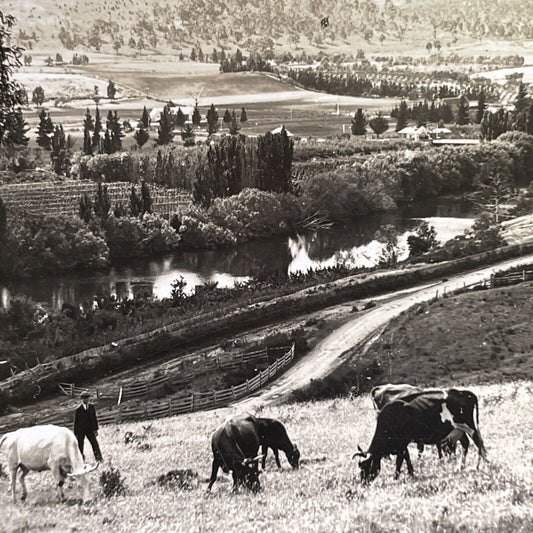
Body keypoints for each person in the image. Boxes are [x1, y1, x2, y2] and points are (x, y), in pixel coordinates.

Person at [74, 391, 102, 462]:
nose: (86, 400)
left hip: (90, 429)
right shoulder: (78, 409)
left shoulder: (92, 407)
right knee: (80, 445)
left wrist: (96, 429)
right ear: (82, 399)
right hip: (81, 431)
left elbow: (94, 418)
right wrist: (76, 433)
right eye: (84, 398)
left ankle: (99, 458)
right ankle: (80, 460)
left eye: (87, 398)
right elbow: (76, 422)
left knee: (95, 444)